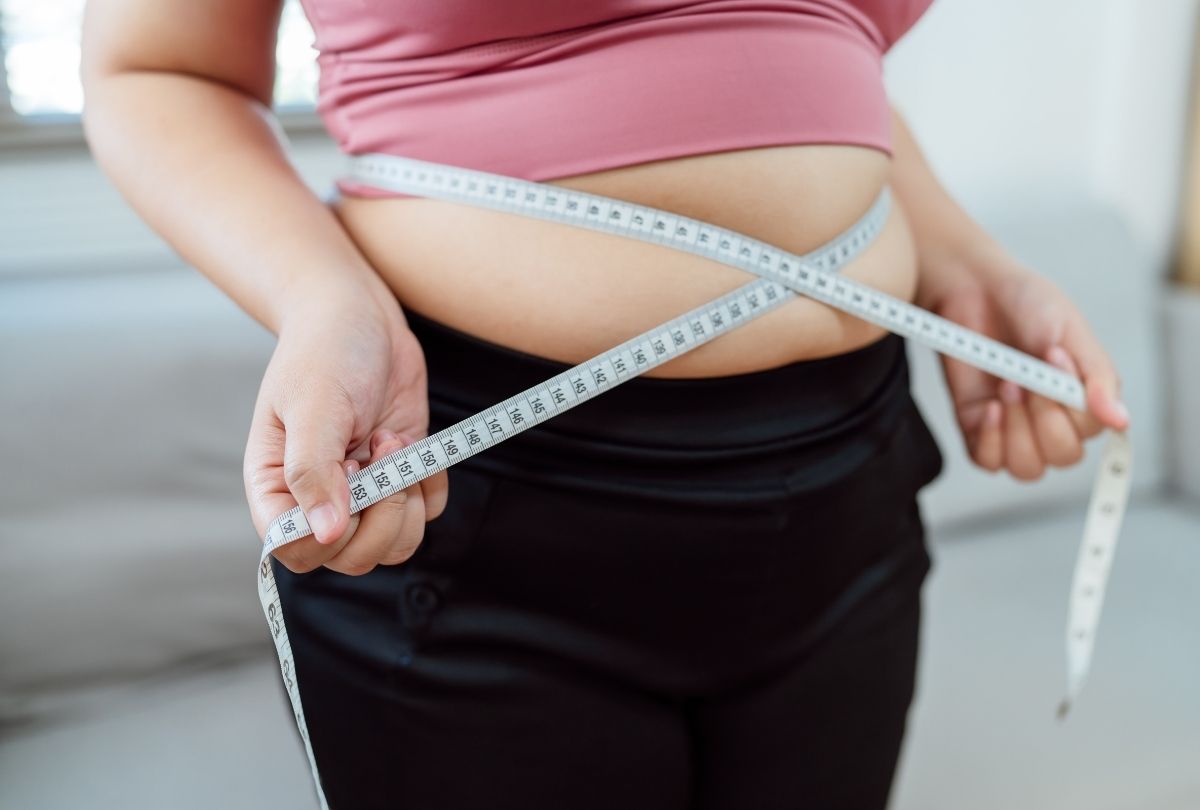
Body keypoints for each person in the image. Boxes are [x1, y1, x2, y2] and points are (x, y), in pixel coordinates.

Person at [81, 1, 1130, 808]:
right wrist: (320, 298)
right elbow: (157, 68)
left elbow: (808, 42)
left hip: (848, 481)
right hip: (470, 489)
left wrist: (964, 258)